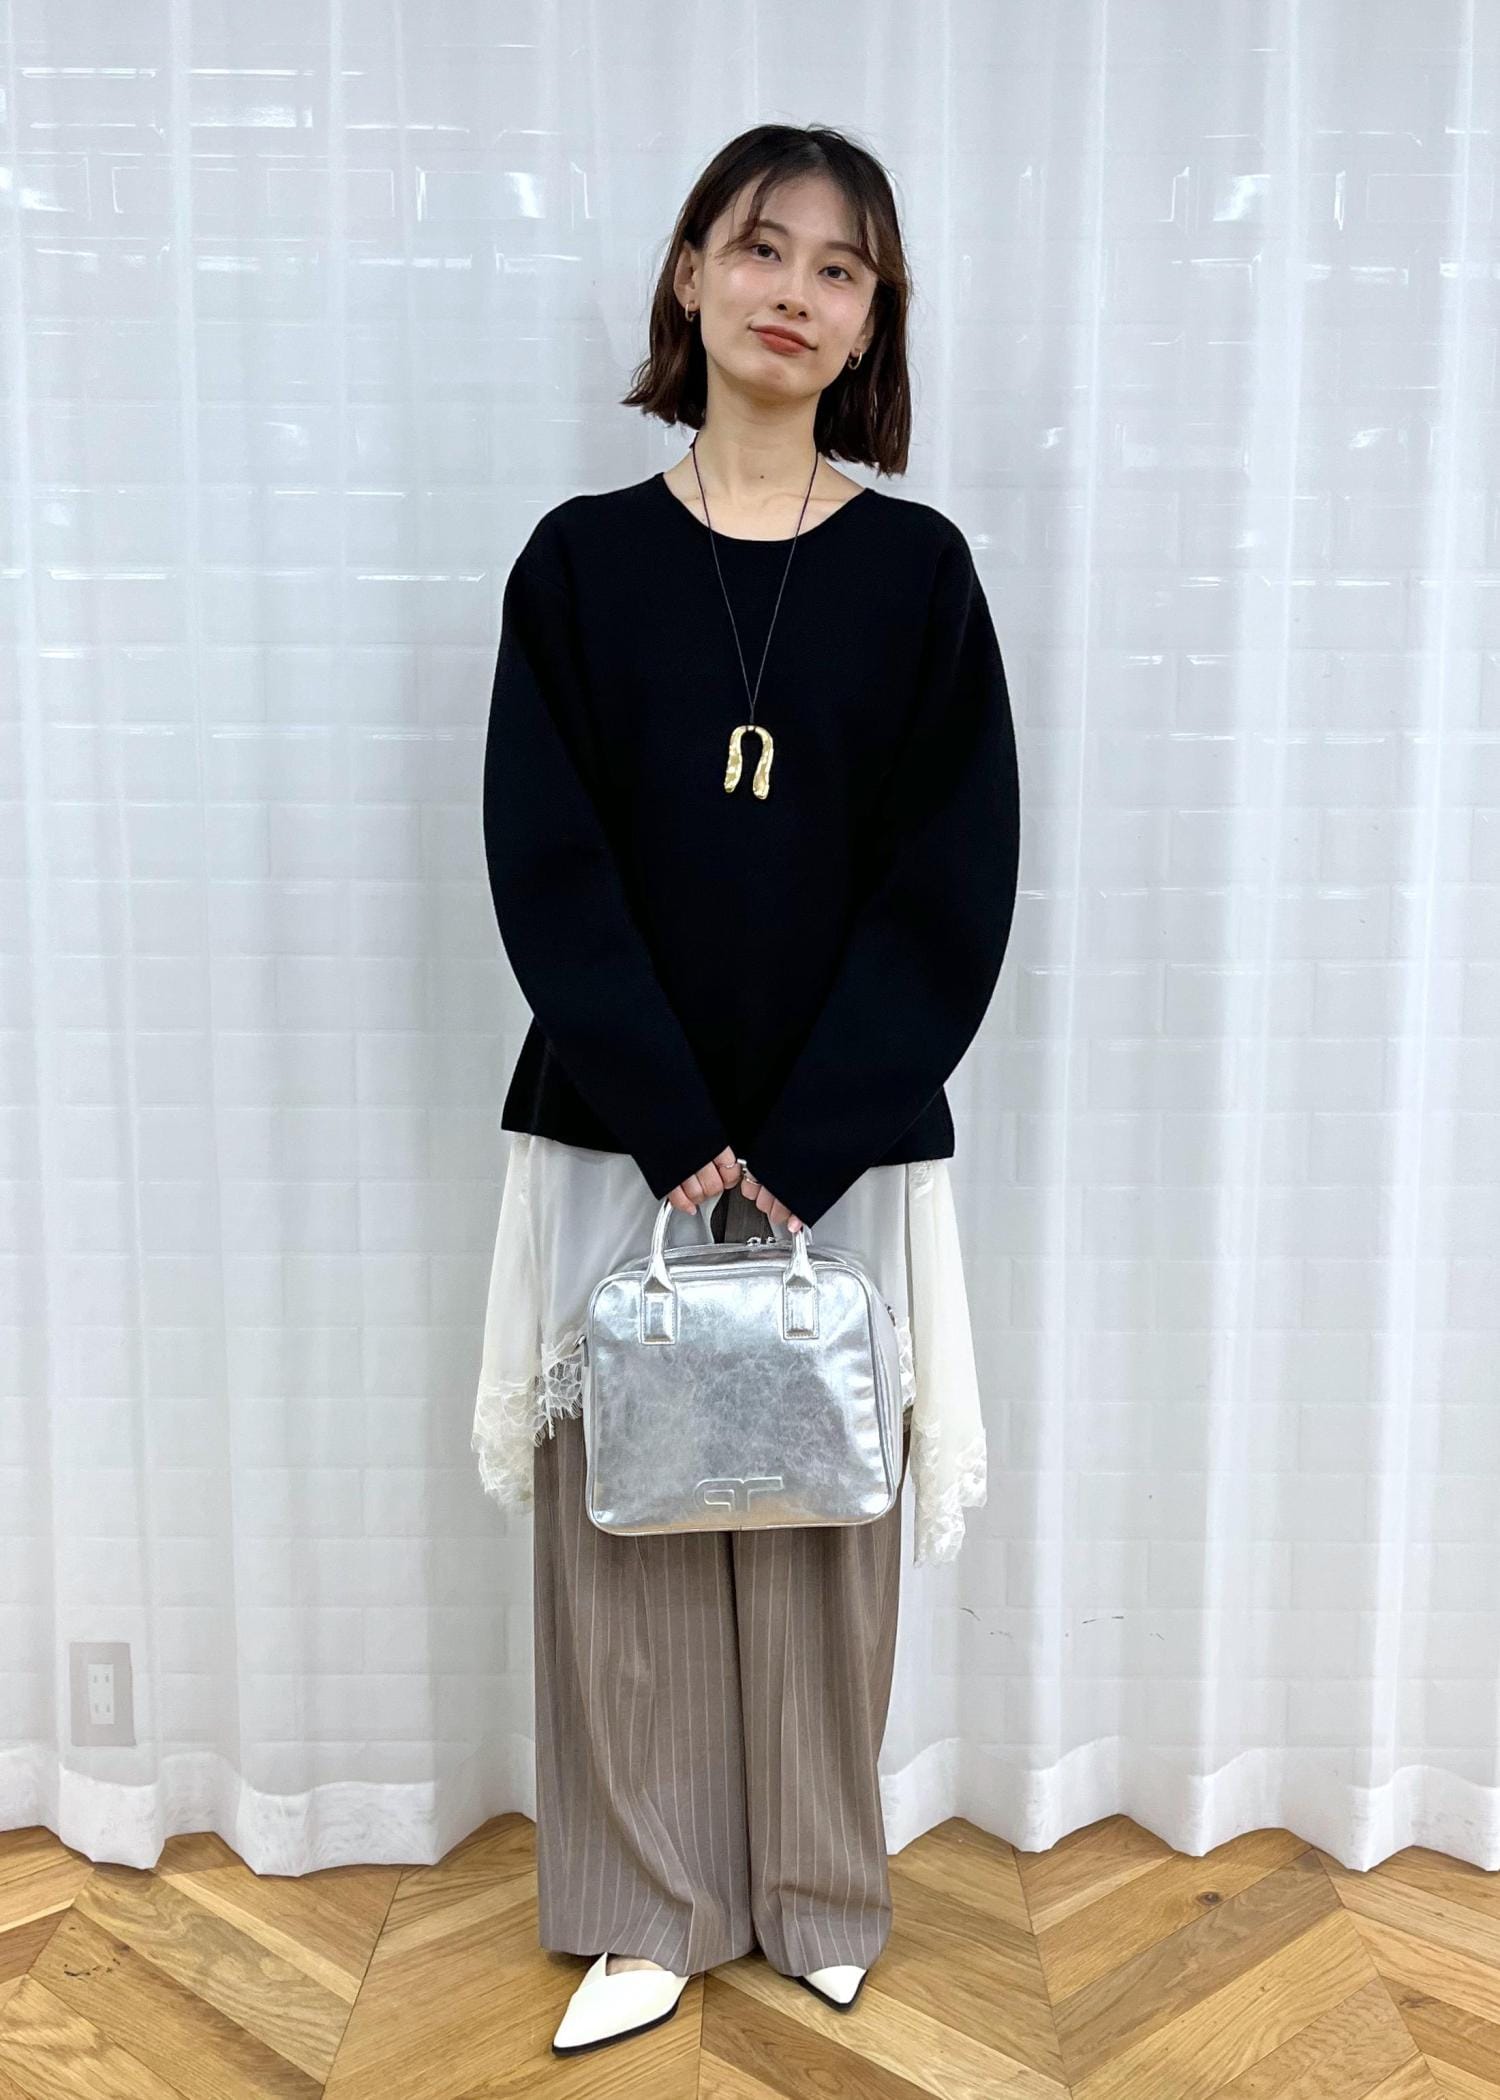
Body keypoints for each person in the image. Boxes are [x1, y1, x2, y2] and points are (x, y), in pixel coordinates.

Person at [470, 122, 1021, 2057]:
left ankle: (815, 1888)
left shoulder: (920, 573)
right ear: (690, 274)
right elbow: (545, 859)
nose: (794, 291)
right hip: (616, 1126)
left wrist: (798, 1137)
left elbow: (954, 881)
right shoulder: (580, 562)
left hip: (840, 1144)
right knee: (623, 1508)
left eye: (839, 268)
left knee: (819, 1504)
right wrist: (675, 1116)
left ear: (873, 321)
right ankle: (644, 1905)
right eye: (761, 248)